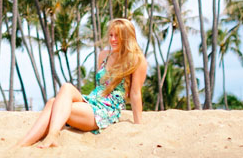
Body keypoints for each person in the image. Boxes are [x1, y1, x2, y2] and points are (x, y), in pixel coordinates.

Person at [16, 18, 148, 148]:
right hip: (91, 101)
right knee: (64, 89)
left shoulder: (137, 61)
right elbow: (100, 87)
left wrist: (139, 124)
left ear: (126, 37)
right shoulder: (104, 55)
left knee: (54, 105)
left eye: (117, 36)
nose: (112, 39)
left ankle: (49, 136)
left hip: (106, 111)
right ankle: (26, 142)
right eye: (111, 35)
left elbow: (135, 94)